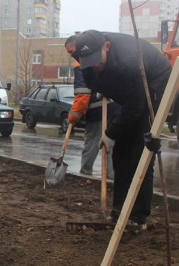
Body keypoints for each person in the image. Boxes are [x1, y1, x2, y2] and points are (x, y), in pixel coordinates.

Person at [75, 30, 171, 228]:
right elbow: (93, 80)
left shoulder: (129, 62)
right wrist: (105, 88)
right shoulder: (87, 60)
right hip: (131, 91)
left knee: (140, 156)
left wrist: (111, 133)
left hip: (155, 85)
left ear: (107, 47)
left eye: (96, 59)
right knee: (120, 155)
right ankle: (119, 211)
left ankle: (138, 217)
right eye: (88, 61)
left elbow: (136, 107)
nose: (94, 65)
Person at [64, 35, 120, 178]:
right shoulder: (97, 57)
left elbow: (83, 95)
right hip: (114, 109)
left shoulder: (81, 65)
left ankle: (85, 174)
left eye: (71, 51)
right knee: (110, 142)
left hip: (98, 112)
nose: (71, 55)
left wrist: (73, 116)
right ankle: (111, 176)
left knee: (91, 142)